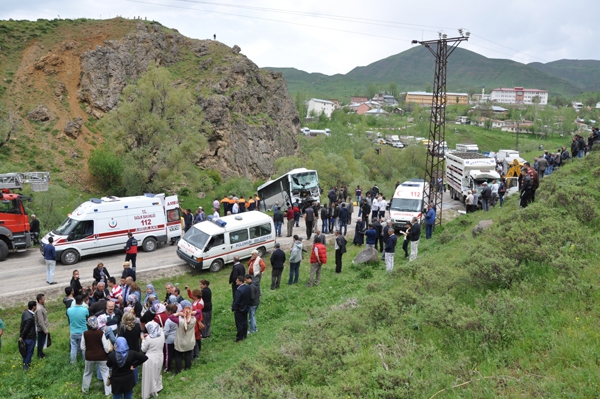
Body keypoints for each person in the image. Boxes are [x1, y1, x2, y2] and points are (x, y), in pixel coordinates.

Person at [81, 316, 112, 396]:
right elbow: (106, 346)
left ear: (88, 324)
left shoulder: (85, 334)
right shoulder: (101, 333)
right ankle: (108, 392)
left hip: (89, 357)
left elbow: (82, 347)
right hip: (102, 357)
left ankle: (85, 390)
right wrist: (106, 353)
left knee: (87, 373)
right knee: (105, 373)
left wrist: (88, 350)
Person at [170, 300, 198, 372]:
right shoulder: (194, 319)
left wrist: (179, 313)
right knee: (188, 355)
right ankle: (187, 369)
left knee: (178, 356)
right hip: (190, 340)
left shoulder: (180, 321)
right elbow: (199, 312)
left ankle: (178, 370)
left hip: (180, 341)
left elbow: (171, 317)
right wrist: (192, 313)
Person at [141, 321, 164, 399]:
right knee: (157, 372)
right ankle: (158, 387)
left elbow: (143, 349)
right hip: (160, 356)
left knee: (149, 376)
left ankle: (149, 392)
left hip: (150, 359)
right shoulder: (162, 334)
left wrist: (143, 339)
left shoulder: (148, 339)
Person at [67, 295, 89, 364]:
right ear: (82, 301)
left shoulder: (69, 310)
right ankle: (85, 360)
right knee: (83, 347)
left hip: (73, 331)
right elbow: (87, 316)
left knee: (73, 347)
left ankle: (73, 361)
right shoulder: (85, 310)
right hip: (83, 331)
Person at [231, 276, 251, 342]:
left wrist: (234, 308)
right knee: (245, 322)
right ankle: (244, 335)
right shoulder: (248, 287)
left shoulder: (239, 290)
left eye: (237, 280)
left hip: (239, 309)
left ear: (240, 281)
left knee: (239, 323)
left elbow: (236, 301)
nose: (236, 281)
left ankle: (239, 337)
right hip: (246, 308)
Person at [19, 301, 37, 369]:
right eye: (36, 306)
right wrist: (22, 336)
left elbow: (22, 326)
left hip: (26, 337)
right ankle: (26, 366)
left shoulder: (25, 313)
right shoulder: (30, 318)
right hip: (30, 337)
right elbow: (26, 328)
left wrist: (21, 335)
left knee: (26, 352)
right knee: (29, 352)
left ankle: (25, 363)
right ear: (33, 307)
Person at [162, 304, 178, 373]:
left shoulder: (168, 321)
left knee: (168, 355)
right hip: (176, 338)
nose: (165, 311)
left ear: (169, 311)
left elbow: (166, 332)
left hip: (168, 340)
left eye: (166, 310)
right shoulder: (178, 318)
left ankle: (167, 369)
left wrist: (163, 338)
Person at [34, 293, 50, 359]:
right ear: (40, 300)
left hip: (42, 328)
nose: (45, 299)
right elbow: (40, 321)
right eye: (43, 298)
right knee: (41, 341)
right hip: (41, 329)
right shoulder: (39, 309)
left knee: (41, 341)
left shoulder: (40, 306)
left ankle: (41, 353)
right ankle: (40, 354)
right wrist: (45, 330)